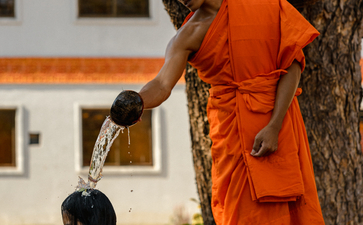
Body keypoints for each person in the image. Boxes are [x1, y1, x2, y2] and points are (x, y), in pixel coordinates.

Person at [138, 0, 325, 224]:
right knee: (238, 213)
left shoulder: (263, 4)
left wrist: (274, 125)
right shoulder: (188, 35)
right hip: (232, 136)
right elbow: (161, 84)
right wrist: (136, 101)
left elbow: (292, 64)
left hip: (278, 123)